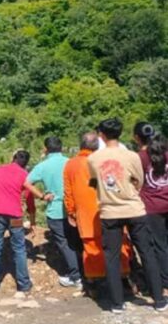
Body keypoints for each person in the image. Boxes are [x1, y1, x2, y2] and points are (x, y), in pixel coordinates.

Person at [89, 118, 167, 313]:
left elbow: (94, 182)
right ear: (121, 133)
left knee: (112, 256)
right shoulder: (132, 155)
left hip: (109, 211)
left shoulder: (93, 159)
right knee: (147, 252)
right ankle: (158, 300)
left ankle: (117, 303)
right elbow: (139, 181)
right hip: (134, 208)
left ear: (102, 135)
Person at [65, 132, 132, 288]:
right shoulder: (104, 160)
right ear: (97, 145)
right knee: (118, 244)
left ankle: (94, 283)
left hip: (86, 213)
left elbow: (68, 192)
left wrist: (71, 212)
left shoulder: (71, 164)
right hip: (110, 208)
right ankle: (124, 280)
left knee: (91, 246)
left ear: (80, 144)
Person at [23, 137, 81, 288]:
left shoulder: (43, 166)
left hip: (55, 209)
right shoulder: (70, 162)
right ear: (62, 147)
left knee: (64, 243)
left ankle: (75, 276)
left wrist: (42, 196)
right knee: (77, 241)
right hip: (74, 209)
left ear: (45, 149)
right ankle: (88, 273)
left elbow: (27, 183)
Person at [0, 151, 34, 296]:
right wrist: (32, 218)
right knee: (19, 248)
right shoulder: (25, 175)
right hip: (15, 214)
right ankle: (24, 284)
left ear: (13, 158)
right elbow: (29, 199)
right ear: (26, 164)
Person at [134, 125, 168, 289]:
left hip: (152, 207)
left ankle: (164, 280)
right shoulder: (166, 152)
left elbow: (134, 182)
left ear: (136, 138)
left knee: (158, 245)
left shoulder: (139, 157)